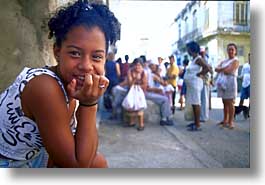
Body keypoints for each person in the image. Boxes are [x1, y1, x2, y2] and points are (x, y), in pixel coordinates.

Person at [0, 0, 120, 168]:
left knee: (98, 162)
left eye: (96, 57)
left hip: (32, 157)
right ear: (57, 52)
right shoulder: (44, 86)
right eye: (75, 53)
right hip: (8, 163)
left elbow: (83, 154)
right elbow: (77, 166)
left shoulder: (69, 89)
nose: (86, 66)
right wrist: (89, 105)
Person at [184, 41, 210, 131]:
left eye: (188, 49)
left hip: (196, 84)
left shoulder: (198, 59)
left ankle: (198, 124)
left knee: (196, 103)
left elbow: (207, 68)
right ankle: (195, 122)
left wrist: (199, 74)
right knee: (194, 104)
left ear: (192, 49)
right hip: (192, 85)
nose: (187, 51)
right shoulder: (194, 59)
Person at [215, 43, 239, 129]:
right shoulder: (224, 61)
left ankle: (231, 121)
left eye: (232, 49)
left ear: (235, 51)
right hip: (223, 82)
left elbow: (228, 71)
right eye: (229, 49)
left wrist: (221, 69)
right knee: (224, 101)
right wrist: (223, 68)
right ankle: (225, 119)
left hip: (231, 82)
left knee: (230, 102)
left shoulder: (235, 60)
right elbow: (216, 69)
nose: (230, 51)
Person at [125, 58, 147, 131]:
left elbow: (145, 85)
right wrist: (135, 79)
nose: (138, 67)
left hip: (140, 92)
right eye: (136, 65)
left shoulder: (144, 73)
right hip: (131, 91)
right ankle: (132, 122)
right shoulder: (130, 71)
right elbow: (130, 84)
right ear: (134, 65)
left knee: (139, 105)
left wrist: (137, 87)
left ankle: (141, 124)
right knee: (130, 105)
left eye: (139, 65)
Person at [199, 46, 213, 122]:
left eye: (202, 52)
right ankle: (202, 115)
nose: (201, 54)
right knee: (202, 99)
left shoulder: (207, 60)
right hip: (201, 81)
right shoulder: (201, 59)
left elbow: (210, 70)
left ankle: (204, 116)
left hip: (205, 81)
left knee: (204, 99)